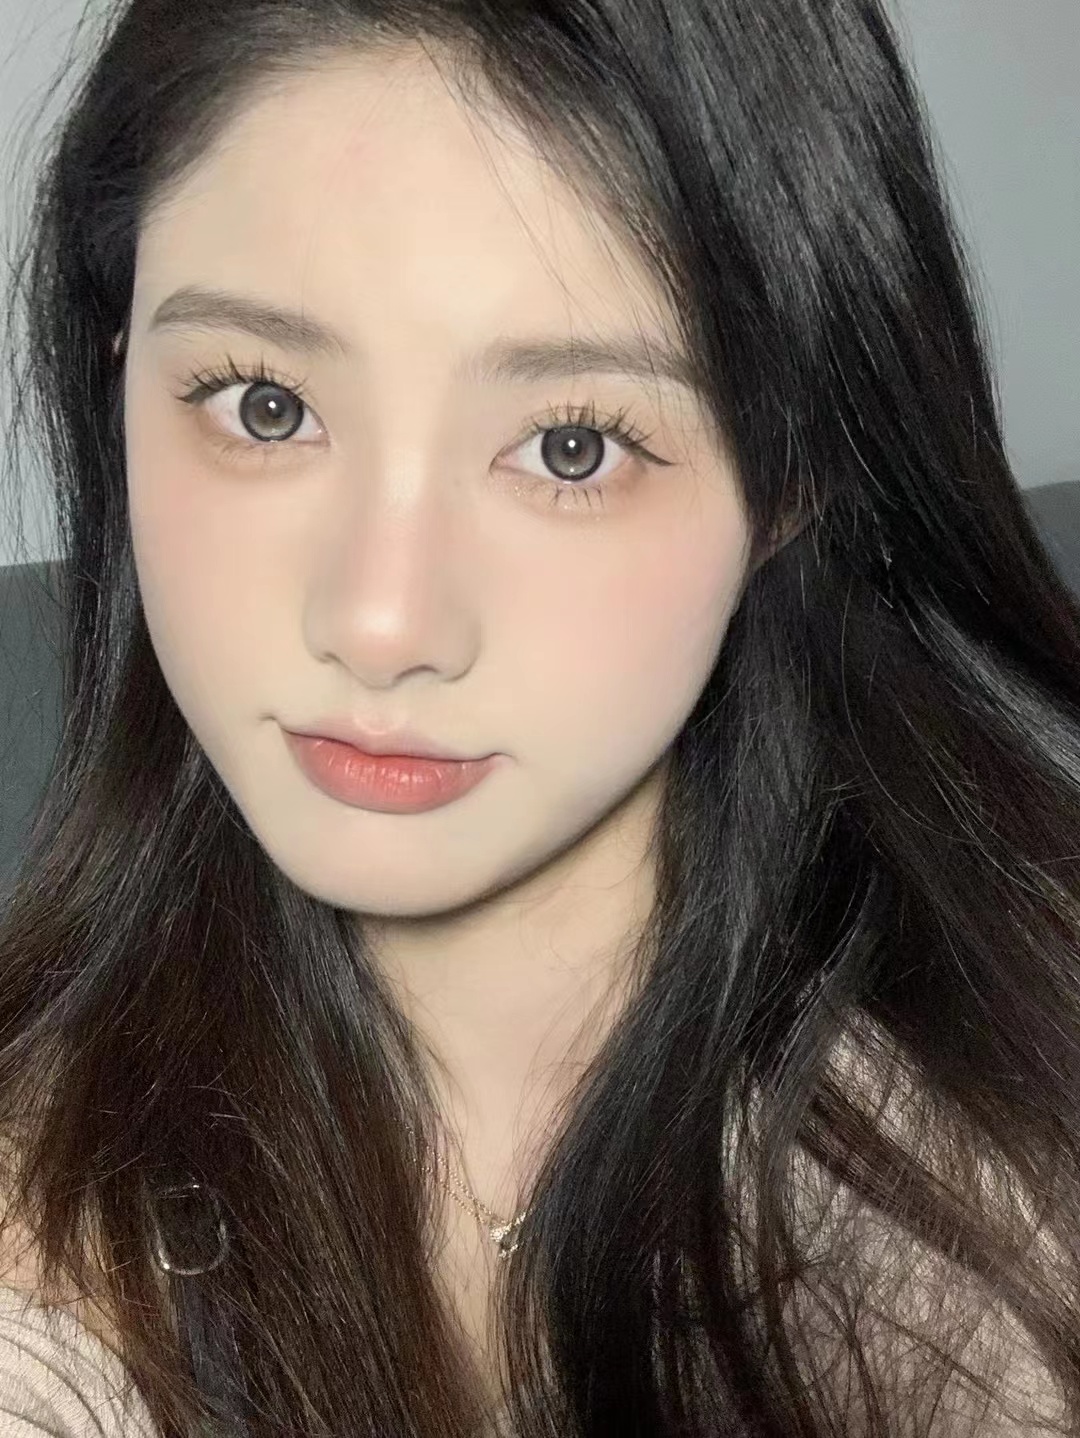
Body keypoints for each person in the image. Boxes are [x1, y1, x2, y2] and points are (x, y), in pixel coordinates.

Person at [0, 0, 1078, 1433]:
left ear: (793, 480)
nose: (381, 623)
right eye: (263, 405)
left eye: (571, 447)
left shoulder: (1014, 1156)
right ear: (118, 372)